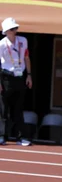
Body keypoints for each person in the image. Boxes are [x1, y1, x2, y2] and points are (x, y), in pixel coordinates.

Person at [0, 17, 33, 147]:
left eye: (16, 28)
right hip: (6, 77)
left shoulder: (23, 41)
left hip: (20, 76)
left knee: (18, 108)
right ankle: (2, 135)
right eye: (12, 29)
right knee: (3, 108)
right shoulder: (2, 44)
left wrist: (29, 75)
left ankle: (22, 137)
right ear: (7, 31)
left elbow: (26, 57)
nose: (15, 31)